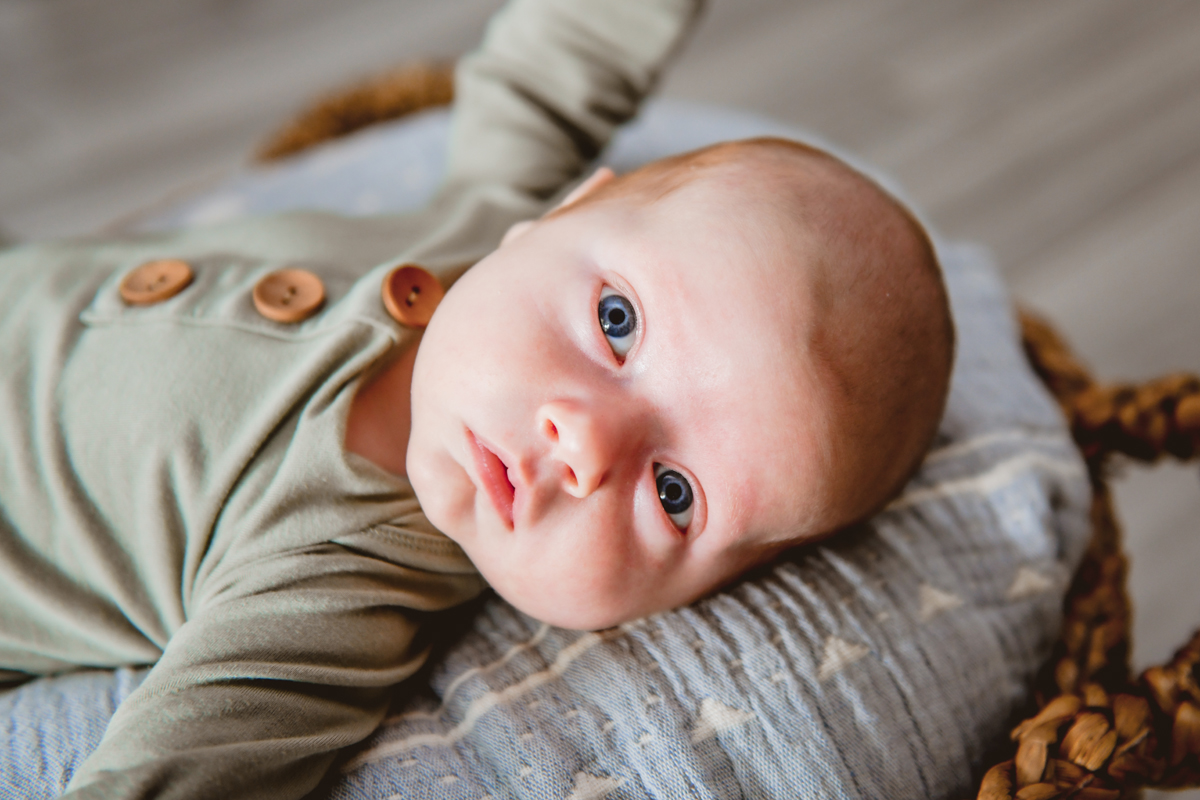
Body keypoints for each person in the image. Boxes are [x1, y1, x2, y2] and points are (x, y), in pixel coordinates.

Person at [0, 0, 952, 797]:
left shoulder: (333, 594)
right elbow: (562, 58)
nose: (584, 445)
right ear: (568, 211)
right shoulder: (489, 220)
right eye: (618, 322)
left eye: (675, 495)